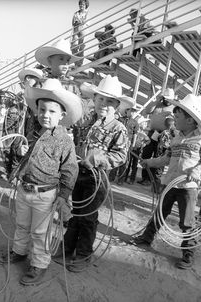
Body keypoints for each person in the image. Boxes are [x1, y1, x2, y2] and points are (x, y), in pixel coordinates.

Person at [0, 78, 82, 286]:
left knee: (40, 231)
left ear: (62, 115)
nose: (45, 115)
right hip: (25, 189)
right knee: (22, 224)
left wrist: (63, 196)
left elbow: (70, 169)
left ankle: (40, 263)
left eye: (52, 111)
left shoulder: (64, 140)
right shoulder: (32, 132)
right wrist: (20, 151)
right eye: (42, 110)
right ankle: (19, 251)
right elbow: (20, 157)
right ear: (37, 110)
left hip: (46, 193)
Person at [54, 75, 134, 272]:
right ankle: (67, 248)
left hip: (97, 179)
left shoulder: (118, 128)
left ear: (117, 105)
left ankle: (83, 254)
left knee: (88, 216)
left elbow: (121, 156)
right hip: (79, 175)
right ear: (95, 100)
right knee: (76, 213)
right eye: (100, 99)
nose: (103, 104)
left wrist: (98, 159)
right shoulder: (88, 122)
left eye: (109, 101)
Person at [129, 94, 201, 270]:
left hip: (188, 187)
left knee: (187, 222)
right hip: (170, 183)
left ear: (190, 120)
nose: (174, 119)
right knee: (159, 213)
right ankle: (146, 238)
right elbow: (166, 159)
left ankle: (188, 254)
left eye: (178, 117)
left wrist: (198, 171)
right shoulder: (176, 138)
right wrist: (149, 162)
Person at [3, 67, 43, 178]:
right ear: (27, 79)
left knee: (21, 147)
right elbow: (7, 103)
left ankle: (14, 172)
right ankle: (10, 171)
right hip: (16, 122)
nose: (34, 82)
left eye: (36, 80)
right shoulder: (18, 94)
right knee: (11, 146)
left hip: (28, 124)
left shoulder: (36, 95)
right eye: (32, 78)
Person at [138, 88, 175, 187]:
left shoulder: (174, 108)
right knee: (146, 154)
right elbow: (147, 111)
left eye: (169, 99)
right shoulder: (157, 105)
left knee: (159, 157)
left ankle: (155, 180)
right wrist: (156, 101)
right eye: (165, 98)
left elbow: (175, 124)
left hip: (164, 135)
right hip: (152, 133)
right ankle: (145, 178)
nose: (167, 101)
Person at [117, 104, 139, 185]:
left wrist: (133, 144)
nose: (132, 113)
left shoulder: (135, 122)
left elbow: (135, 134)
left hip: (127, 143)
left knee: (124, 162)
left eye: (134, 111)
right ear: (127, 110)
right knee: (115, 159)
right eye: (131, 110)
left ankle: (120, 179)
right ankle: (111, 177)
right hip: (118, 142)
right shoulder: (120, 119)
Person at [125, 116, 151, 185]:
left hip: (137, 150)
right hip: (131, 149)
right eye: (144, 123)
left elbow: (148, 141)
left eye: (145, 124)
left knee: (134, 165)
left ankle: (132, 179)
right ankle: (125, 176)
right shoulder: (135, 132)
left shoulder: (143, 134)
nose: (145, 125)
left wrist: (144, 144)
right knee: (128, 163)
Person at [71, 0, 89, 67]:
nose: (81, 6)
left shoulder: (87, 13)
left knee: (81, 47)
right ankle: (76, 62)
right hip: (76, 30)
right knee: (73, 46)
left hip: (83, 30)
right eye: (80, 4)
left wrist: (80, 22)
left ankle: (80, 63)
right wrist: (79, 22)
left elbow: (85, 22)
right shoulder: (76, 13)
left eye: (83, 4)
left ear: (85, 5)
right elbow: (73, 23)